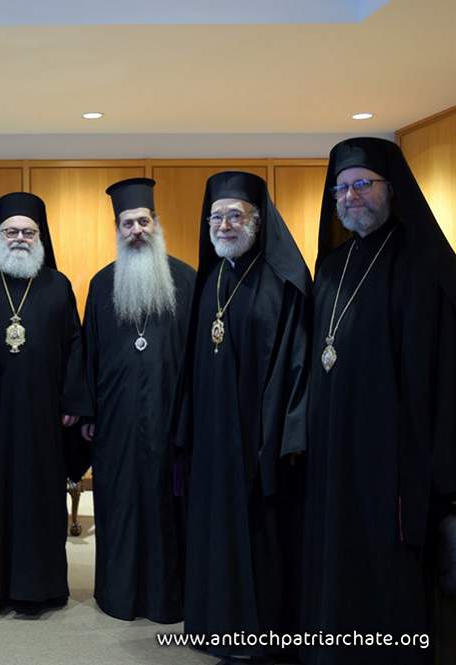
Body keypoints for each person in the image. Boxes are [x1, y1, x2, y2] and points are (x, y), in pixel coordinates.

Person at [300, 137, 456, 665]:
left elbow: (438, 373)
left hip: (393, 454)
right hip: (333, 447)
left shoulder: (423, 265)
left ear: (392, 189)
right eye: (341, 189)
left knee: (385, 567)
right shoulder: (331, 266)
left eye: (362, 184)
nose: (350, 197)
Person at [181, 171, 310, 663]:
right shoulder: (212, 279)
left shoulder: (283, 282)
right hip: (212, 439)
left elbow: (296, 366)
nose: (224, 225)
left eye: (235, 216)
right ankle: (213, 624)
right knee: (213, 531)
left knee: (260, 538)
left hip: (260, 440)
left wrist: (283, 437)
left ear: (258, 221)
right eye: (216, 217)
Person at [0, 191, 90, 615]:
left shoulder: (58, 285)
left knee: (40, 501)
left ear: (40, 237)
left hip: (43, 417)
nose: (20, 239)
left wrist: (73, 400)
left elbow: (75, 346)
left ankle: (41, 587)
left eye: (28, 232)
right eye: (11, 232)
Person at [81, 178, 196, 623]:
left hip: (170, 418)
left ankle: (169, 597)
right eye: (127, 224)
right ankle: (120, 595)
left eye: (143, 221)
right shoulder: (101, 284)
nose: (136, 231)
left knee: (168, 507)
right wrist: (88, 410)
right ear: (117, 229)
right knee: (121, 505)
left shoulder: (186, 280)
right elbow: (88, 353)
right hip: (117, 422)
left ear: (156, 223)